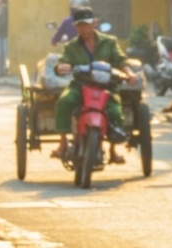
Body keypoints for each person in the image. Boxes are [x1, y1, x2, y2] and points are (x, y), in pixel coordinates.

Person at [53, 6, 133, 164]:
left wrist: (129, 73)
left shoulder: (109, 42)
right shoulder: (71, 46)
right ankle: (62, 142)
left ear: (94, 23)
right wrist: (61, 67)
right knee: (64, 102)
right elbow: (62, 61)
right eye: (80, 25)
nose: (84, 28)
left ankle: (113, 150)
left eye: (87, 24)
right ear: (75, 26)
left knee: (116, 112)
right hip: (80, 86)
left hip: (107, 87)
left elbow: (120, 59)